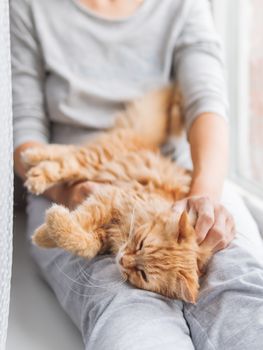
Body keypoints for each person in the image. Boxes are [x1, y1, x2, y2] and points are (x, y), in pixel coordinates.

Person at [12, 0, 263, 349]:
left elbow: (206, 102)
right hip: (73, 179)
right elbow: (22, 132)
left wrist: (202, 199)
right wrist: (68, 193)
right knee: (124, 302)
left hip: (175, 174)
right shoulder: (29, 8)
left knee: (239, 286)